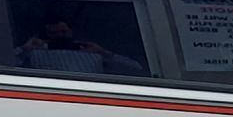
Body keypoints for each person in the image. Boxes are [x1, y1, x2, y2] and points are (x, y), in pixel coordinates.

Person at [17, 13, 145, 76]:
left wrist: (104, 53)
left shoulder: (92, 53)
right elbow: (4, 67)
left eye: (63, 31)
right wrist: (24, 49)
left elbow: (135, 69)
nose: (60, 35)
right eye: (54, 33)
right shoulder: (34, 54)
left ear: (71, 32)